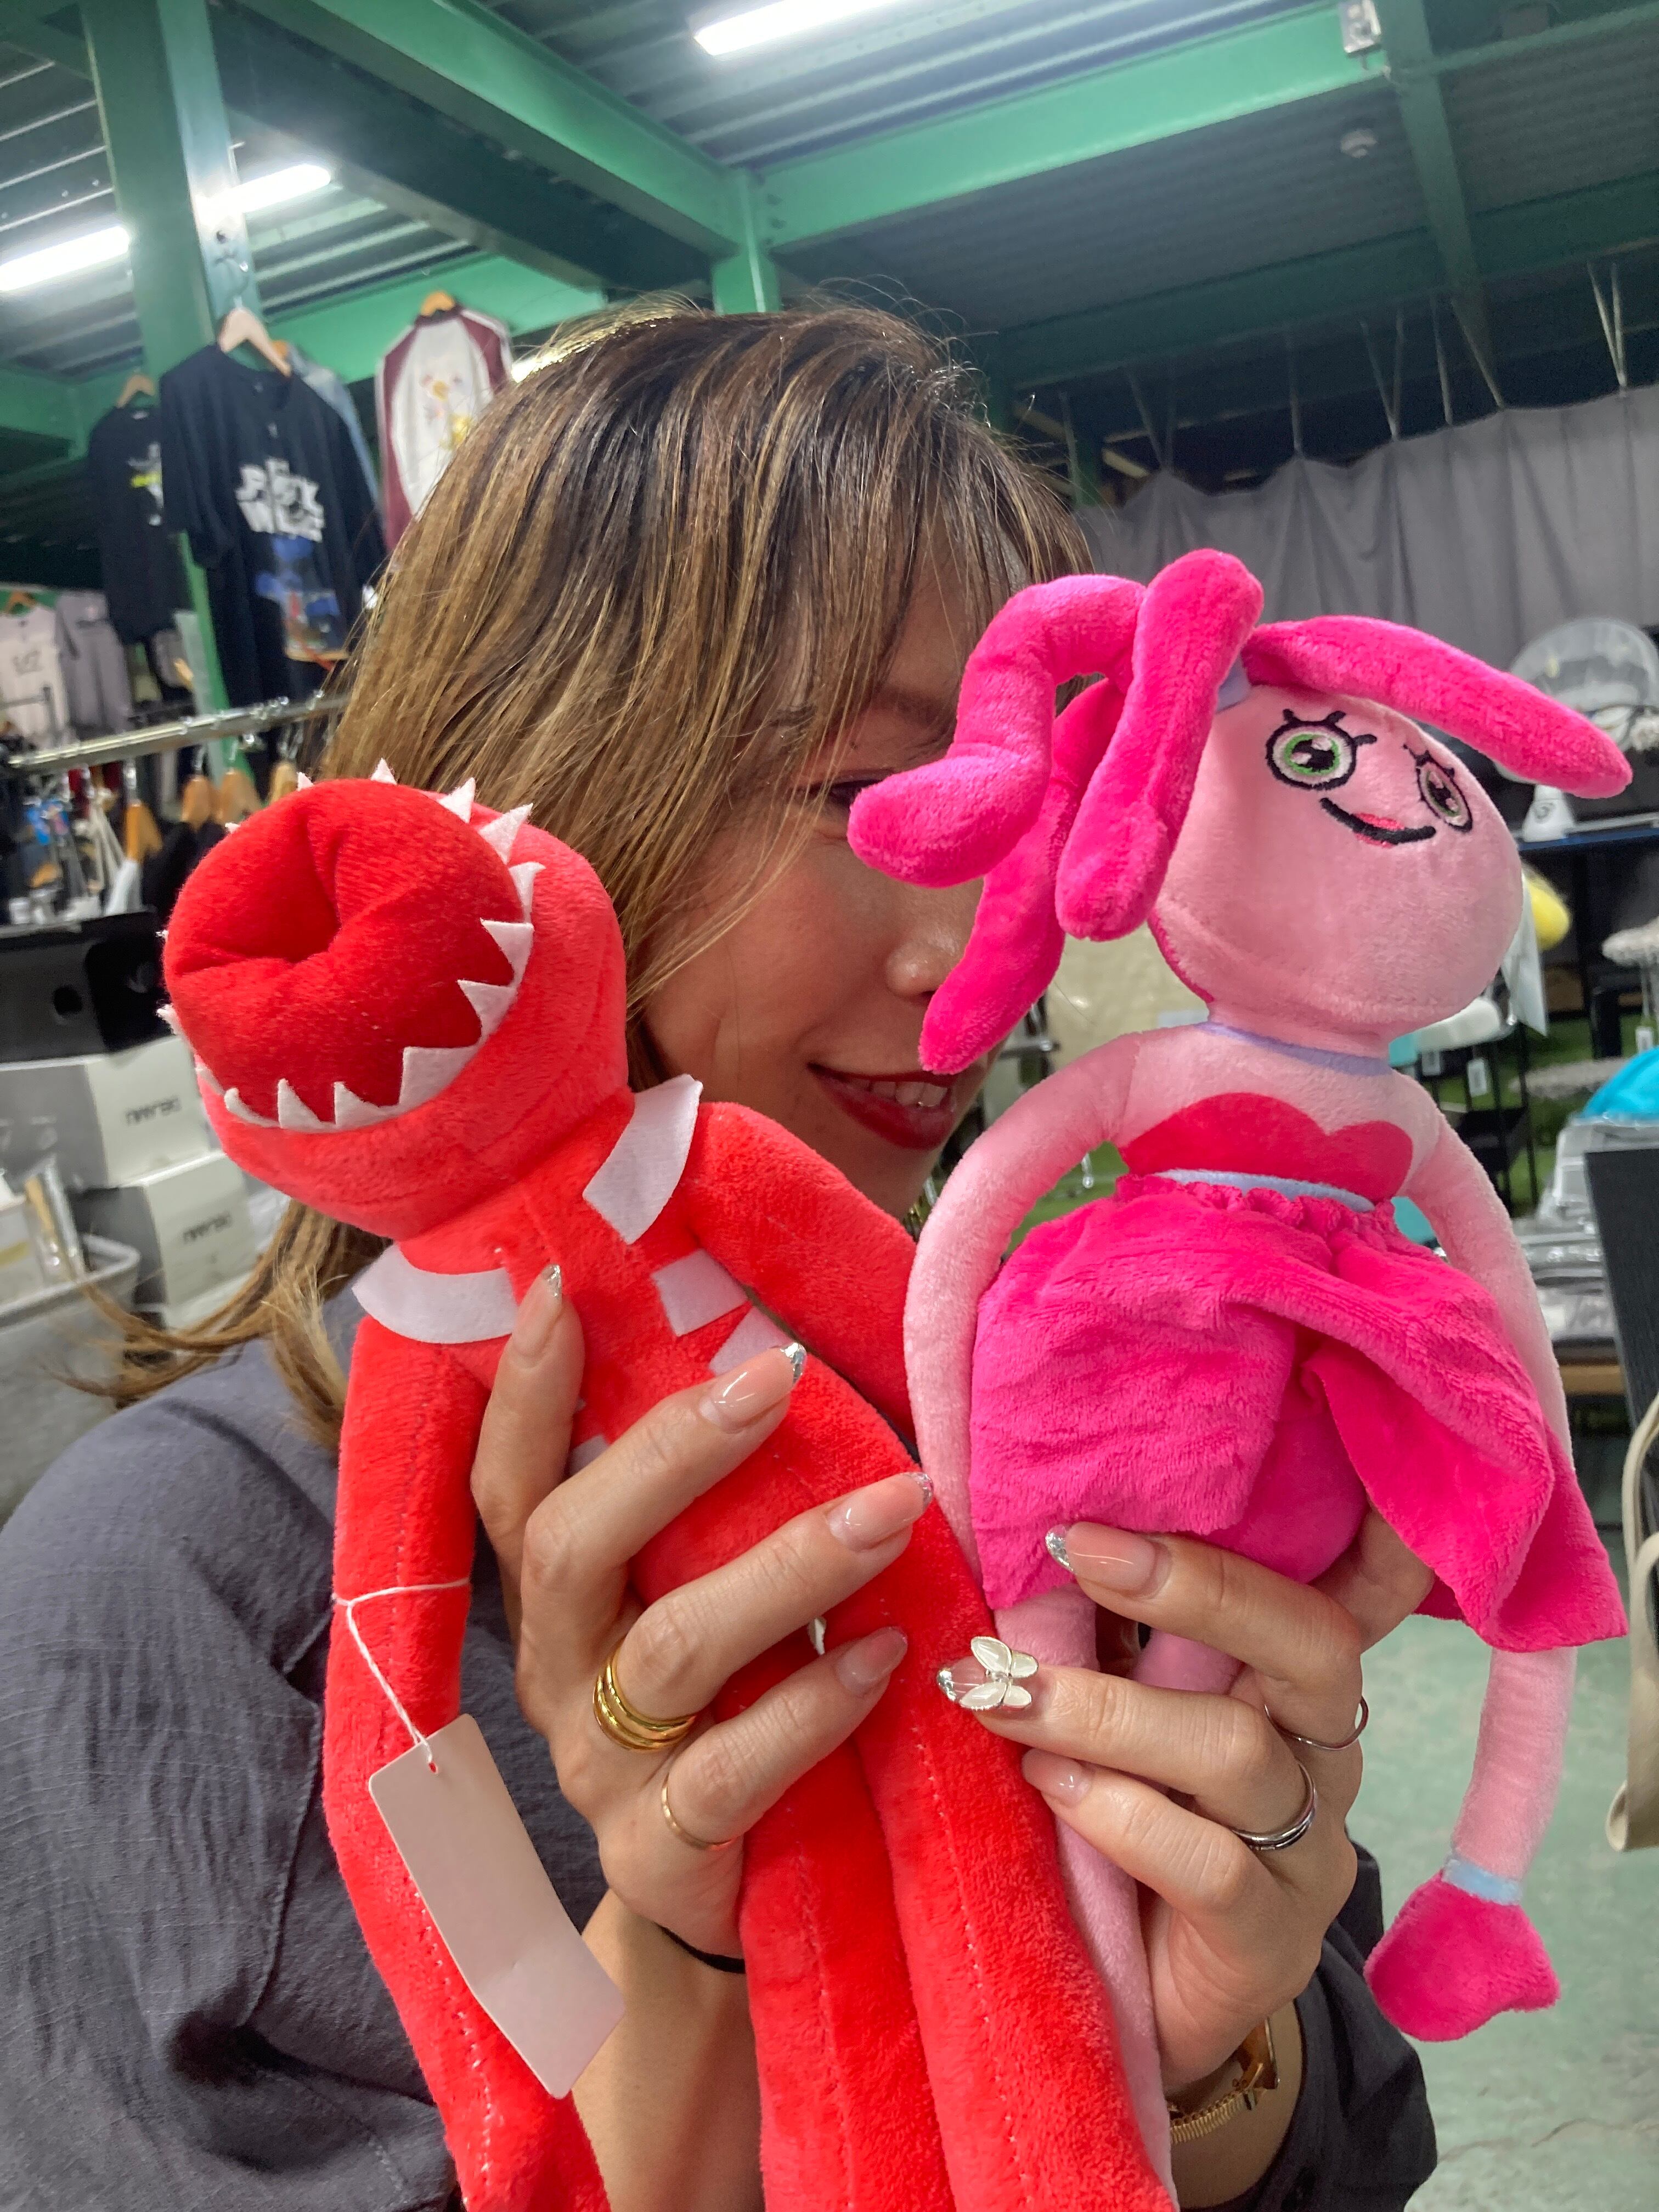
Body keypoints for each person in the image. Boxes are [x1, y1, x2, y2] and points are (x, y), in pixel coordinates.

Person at [0, 303, 1436, 2211]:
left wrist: (1190, 2043)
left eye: (1018, 826)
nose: (969, 967)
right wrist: (690, 1953)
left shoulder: (998, 1392)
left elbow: (1347, 2116)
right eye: (863, 801)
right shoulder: (171, 1595)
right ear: (528, 799)